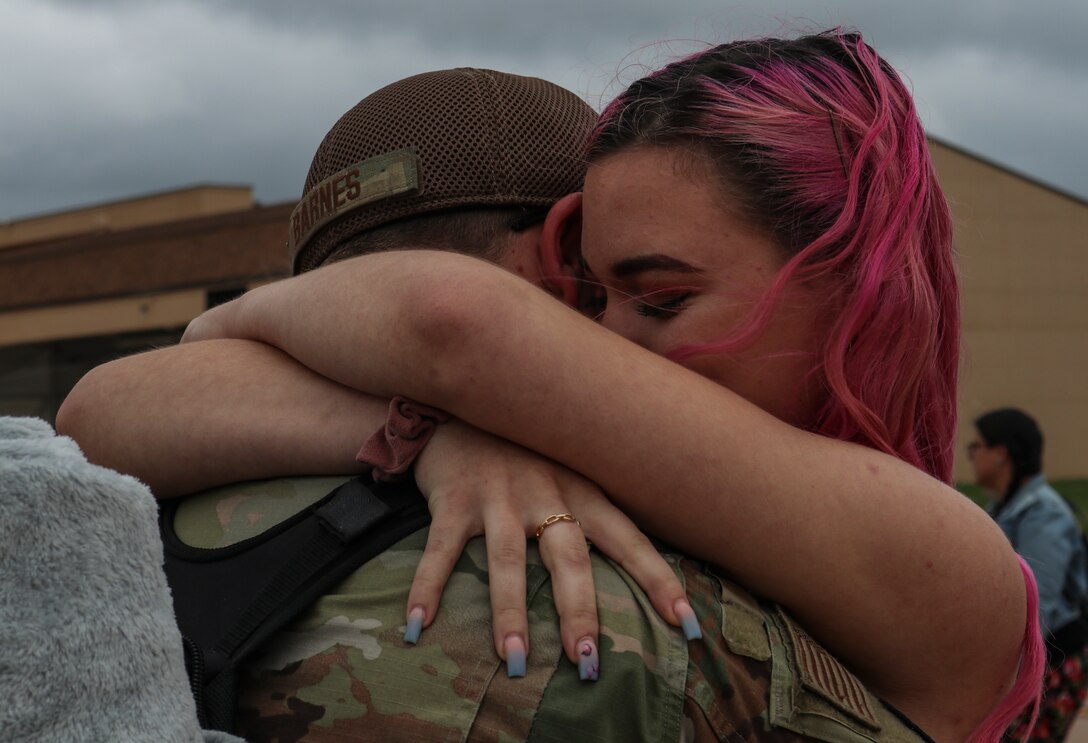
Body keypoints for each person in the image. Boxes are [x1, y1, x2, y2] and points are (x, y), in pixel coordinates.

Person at [59, 32, 1042, 741]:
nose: (603, 345)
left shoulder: (945, 563)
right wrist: (426, 428)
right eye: (592, 298)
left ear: (856, 291)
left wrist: (236, 322)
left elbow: (449, 317)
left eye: (660, 299)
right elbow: (96, 413)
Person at [970, 408, 1088, 741]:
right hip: (1028, 662)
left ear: (1000, 454)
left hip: (1051, 662)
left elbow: (1038, 609)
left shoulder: (1044, 515)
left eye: (977, 446)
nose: (972, 455)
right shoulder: (1004, 508)